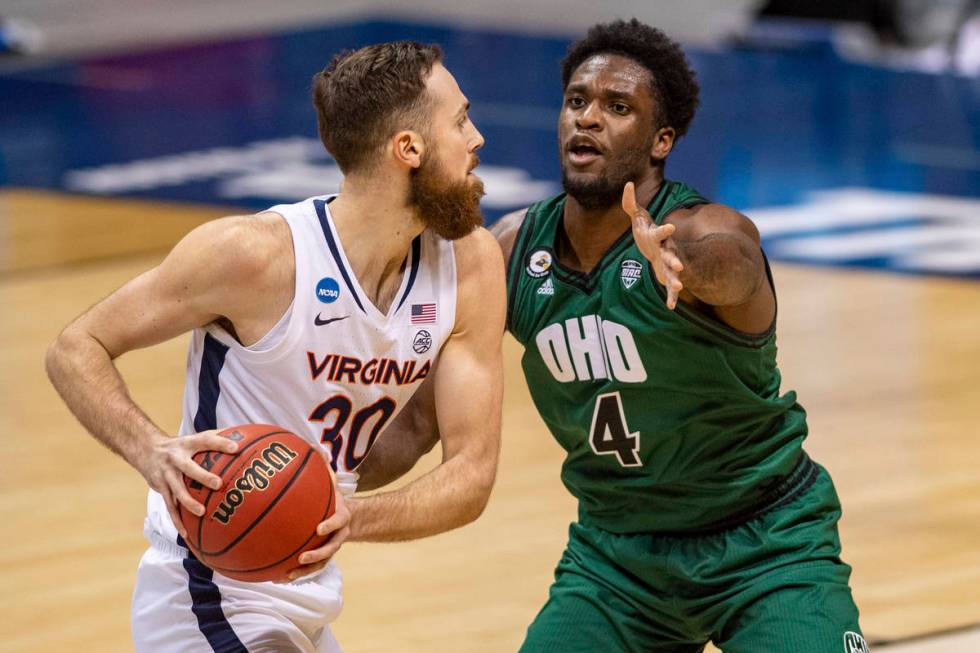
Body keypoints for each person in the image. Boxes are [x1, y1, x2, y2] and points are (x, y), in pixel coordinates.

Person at [361, 19, 868, 653]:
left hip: (766, 541)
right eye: (577, 101)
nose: (588, 119)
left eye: (617, 107)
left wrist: (685, 266)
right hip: (618, 558)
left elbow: (734, 264)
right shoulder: (513, 252)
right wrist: (320, 480)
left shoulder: (703, 229)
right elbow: (414, 426)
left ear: (661, 140)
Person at [45, 40, 505, 653]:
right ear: (409, 149)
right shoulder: (254, 256)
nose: (476, 138)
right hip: (206, 586)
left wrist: (343, 511)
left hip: (304, 581)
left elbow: (471, 474)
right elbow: (77, 346)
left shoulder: (468, 263)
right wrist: (150, 450)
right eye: (460, 120)